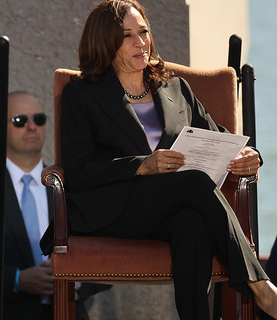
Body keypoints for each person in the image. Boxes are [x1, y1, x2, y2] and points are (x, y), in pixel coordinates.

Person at [38, 1, 277, 319]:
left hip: (169, 210)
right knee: (193, 182)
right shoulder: (82, 95)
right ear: (103, 42)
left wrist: (250, 156)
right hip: (114, 210)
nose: (141, 42)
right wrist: (141, 165)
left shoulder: (176, 88)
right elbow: (78, 172)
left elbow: (219, 138)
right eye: (127, 36)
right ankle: (262, 289)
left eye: (144, 31)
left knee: (191, 224)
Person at [0, 92, 109, 320]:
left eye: (39, 119)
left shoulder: (74, 186)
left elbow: (108, 259)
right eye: (20, 120)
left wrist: (73, 283)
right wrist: (17, 279)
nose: (31, 126)